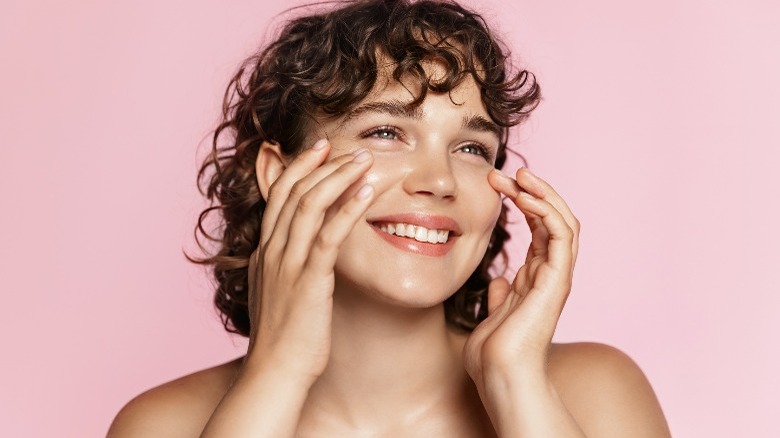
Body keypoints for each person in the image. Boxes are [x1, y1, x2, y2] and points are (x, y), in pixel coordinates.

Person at [108, 0, 671, 436]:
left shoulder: (592, 394)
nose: (441, 179)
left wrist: (515, 385)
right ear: (280, 174)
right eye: (386, 132)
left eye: (472, 148)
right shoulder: (165, 426)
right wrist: (276, 373)